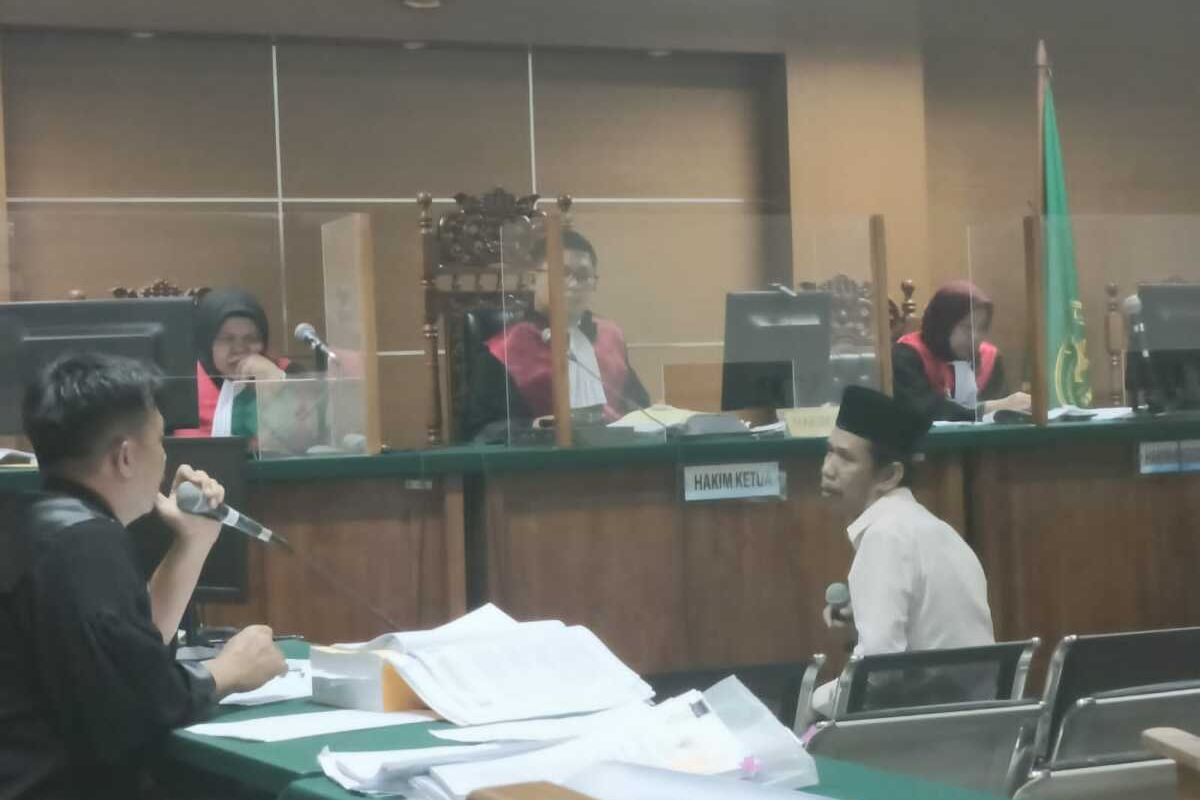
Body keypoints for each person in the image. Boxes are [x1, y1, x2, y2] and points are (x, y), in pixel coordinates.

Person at [0, 352, 286, 798]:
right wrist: (229, 670)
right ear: (126, 457)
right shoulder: (86, 545)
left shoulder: (36, 525)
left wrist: (193, 541)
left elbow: (124, 661)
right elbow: (140, 706)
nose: (166, 455)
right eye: (160, 440)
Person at [811, 385, 994, 715]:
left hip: (927, 725)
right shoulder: (934, 529)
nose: (827, 468)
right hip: (971, 721)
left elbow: (878, 674)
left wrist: (813, 703)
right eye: (829, 452)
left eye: (846, 458)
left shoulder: (885, 538)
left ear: (889, 475)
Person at [463, 231, 650, 442]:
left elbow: (640, 408)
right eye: (562, 273)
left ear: (594, 283)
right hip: (540, 459)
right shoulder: (503, 349)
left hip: (616, 457)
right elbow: (479, 431)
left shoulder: (610, 336)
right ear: (532, 279)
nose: (574, 284)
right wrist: (533, 427)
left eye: (583, 276)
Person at [893, 281, 1031, 421]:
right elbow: (919, 411)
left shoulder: (990, 358)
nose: (975, 337)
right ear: (942, 325)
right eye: (967, 327)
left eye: (982, 328)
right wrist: (986, 408)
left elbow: (1001, 417)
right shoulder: (906, 356)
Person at [175, 288, 296, 439]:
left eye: (251, 339)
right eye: (227, 339)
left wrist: (276, 382)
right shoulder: (182, 385)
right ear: (207, 343)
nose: (239, 349)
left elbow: (307, 437)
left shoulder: (289, 372)